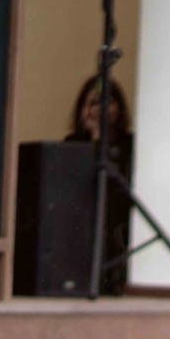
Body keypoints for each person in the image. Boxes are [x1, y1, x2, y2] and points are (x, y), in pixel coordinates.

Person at [65, 75, 134, 296]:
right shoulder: (72, 143)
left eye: (108, 102)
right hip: (79, 212)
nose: (100, 109)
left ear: (119, 108)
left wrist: (101, 138)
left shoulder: (130, 143)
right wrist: (94, 138)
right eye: (94, 103)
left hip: (115, 212)